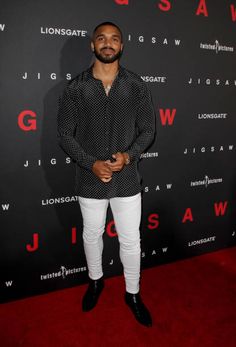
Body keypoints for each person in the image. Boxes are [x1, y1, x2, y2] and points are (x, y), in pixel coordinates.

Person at [57, 21, 155, 327]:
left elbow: (148, 130)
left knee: (130, 240)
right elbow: (64, 134)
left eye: (114, 39)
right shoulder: (75, 87)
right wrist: (91, 163)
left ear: (122, 46)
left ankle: (133, 293)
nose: (108, 43)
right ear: (93, 45)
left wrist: (129, 156)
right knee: (91, 235)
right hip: (89, 179)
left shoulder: (137, 85)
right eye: (102, 39)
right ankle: (96, 281)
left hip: (127, 179)